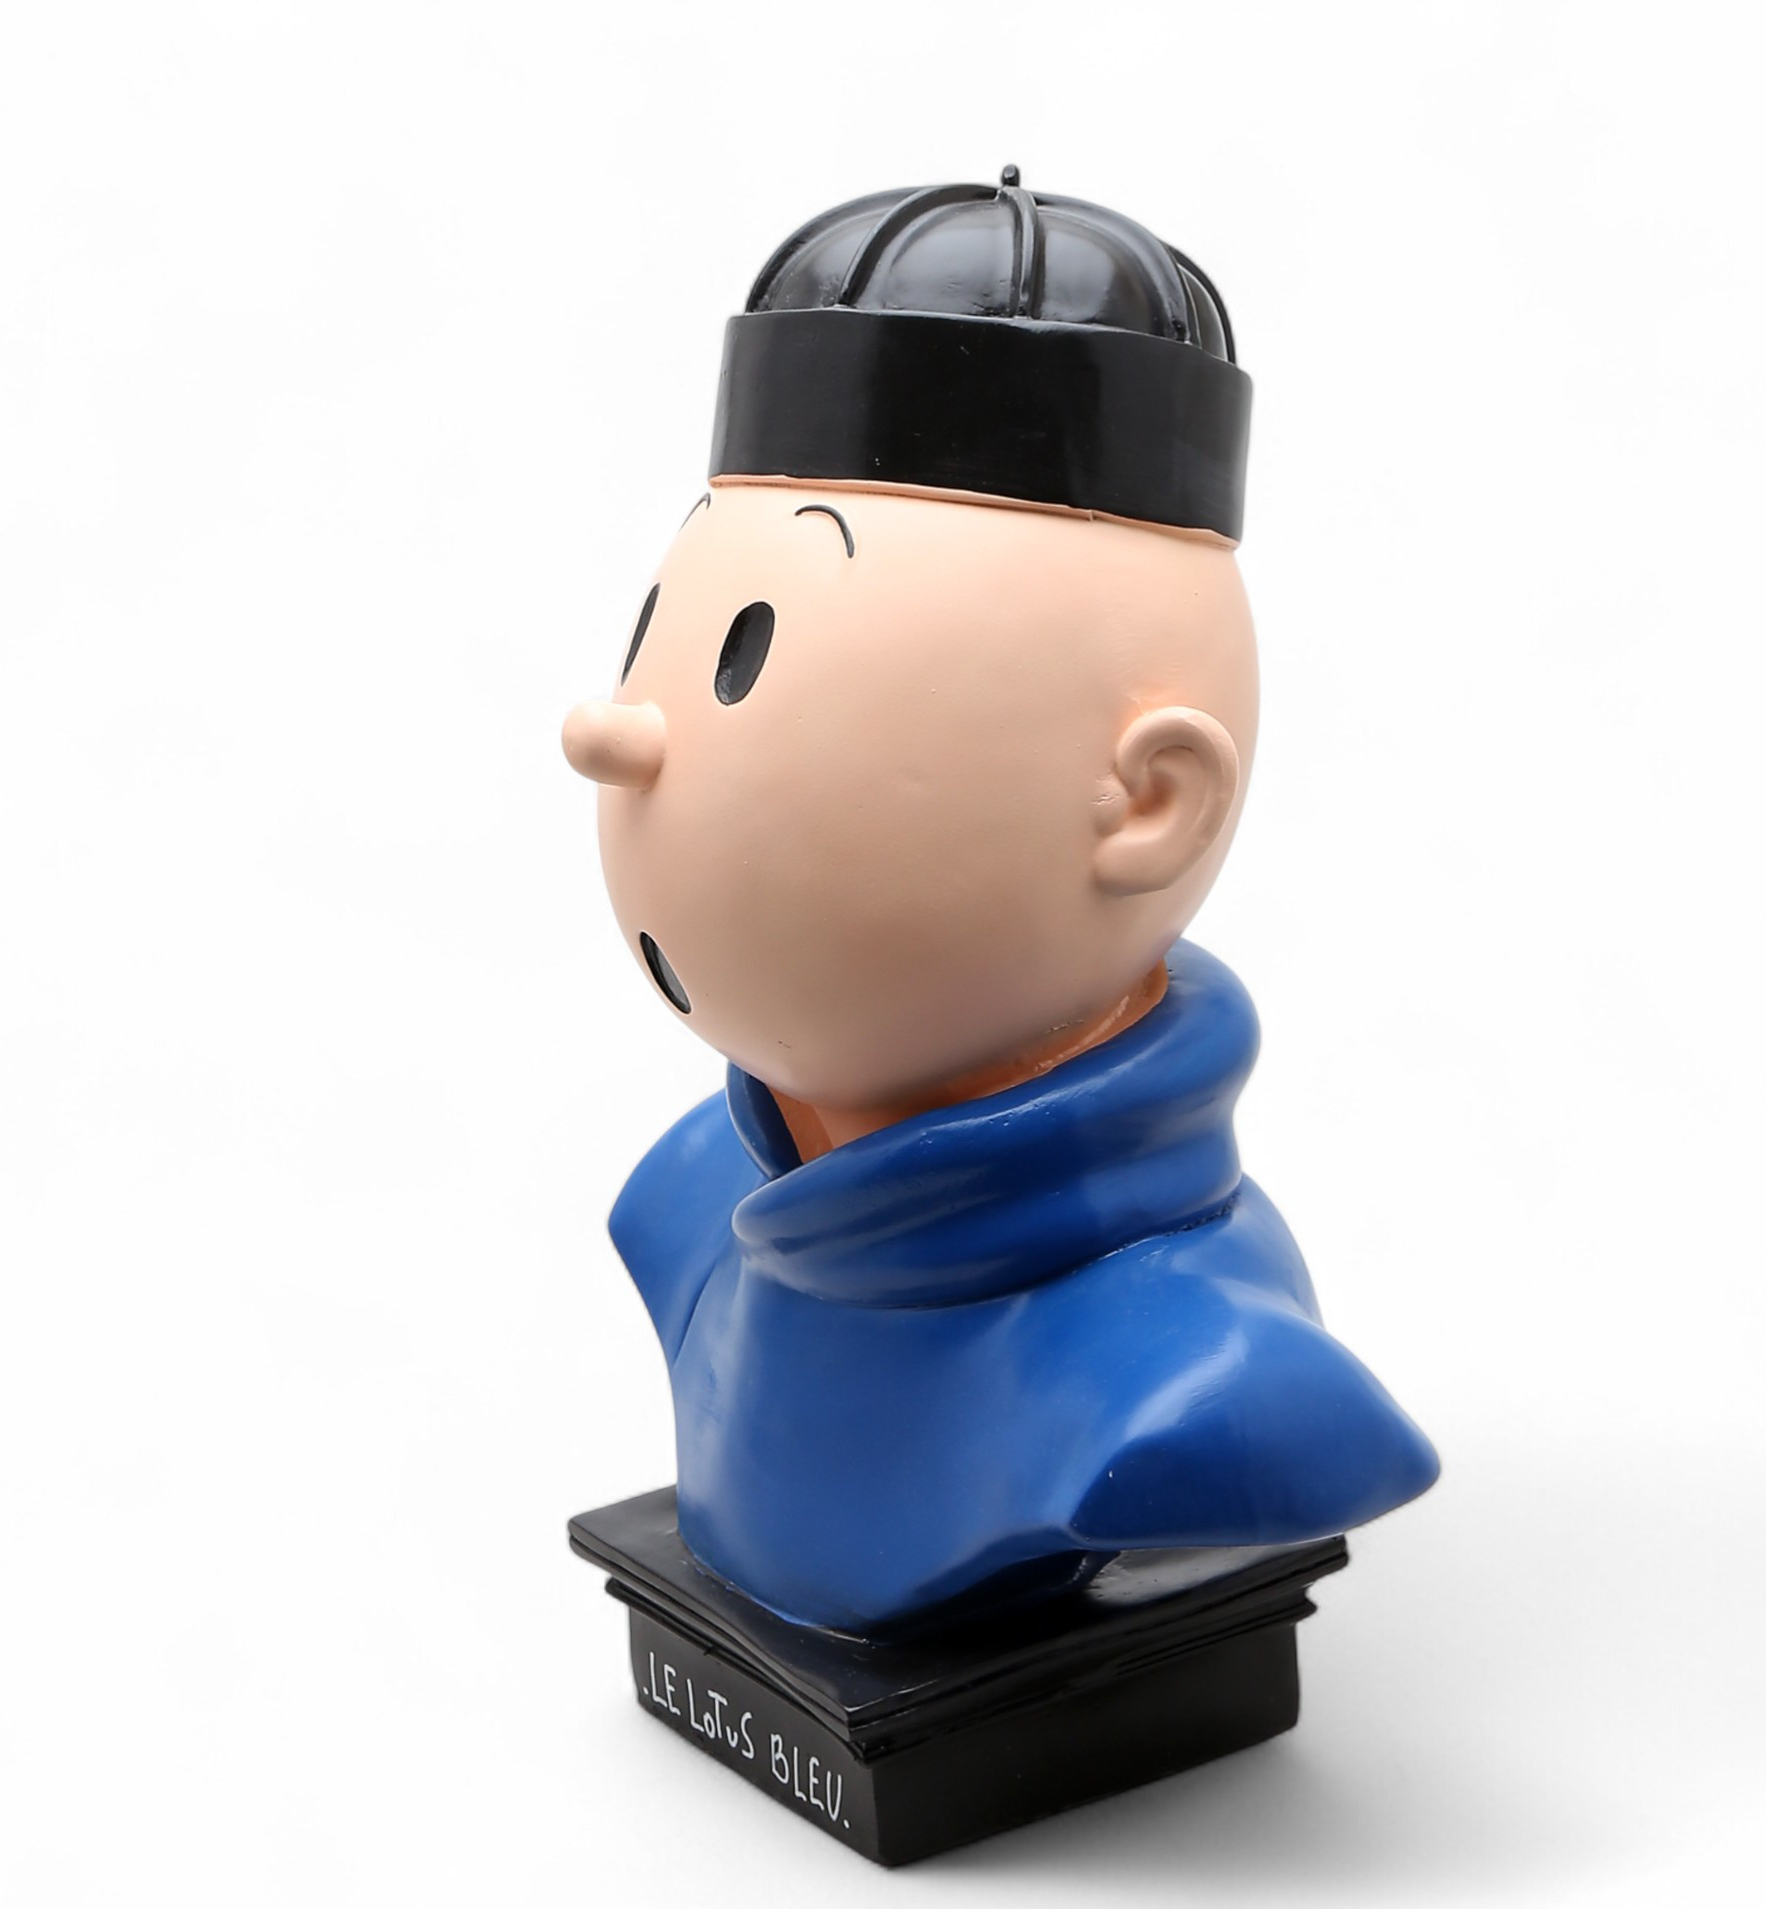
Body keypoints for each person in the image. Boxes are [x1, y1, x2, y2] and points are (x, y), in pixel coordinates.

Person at [560, 175, 1438, 1634]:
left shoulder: (1191, 1369)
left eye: (748, 659)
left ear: (1147, 805)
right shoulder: (697, 1194)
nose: (611, 733)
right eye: (666, 638)